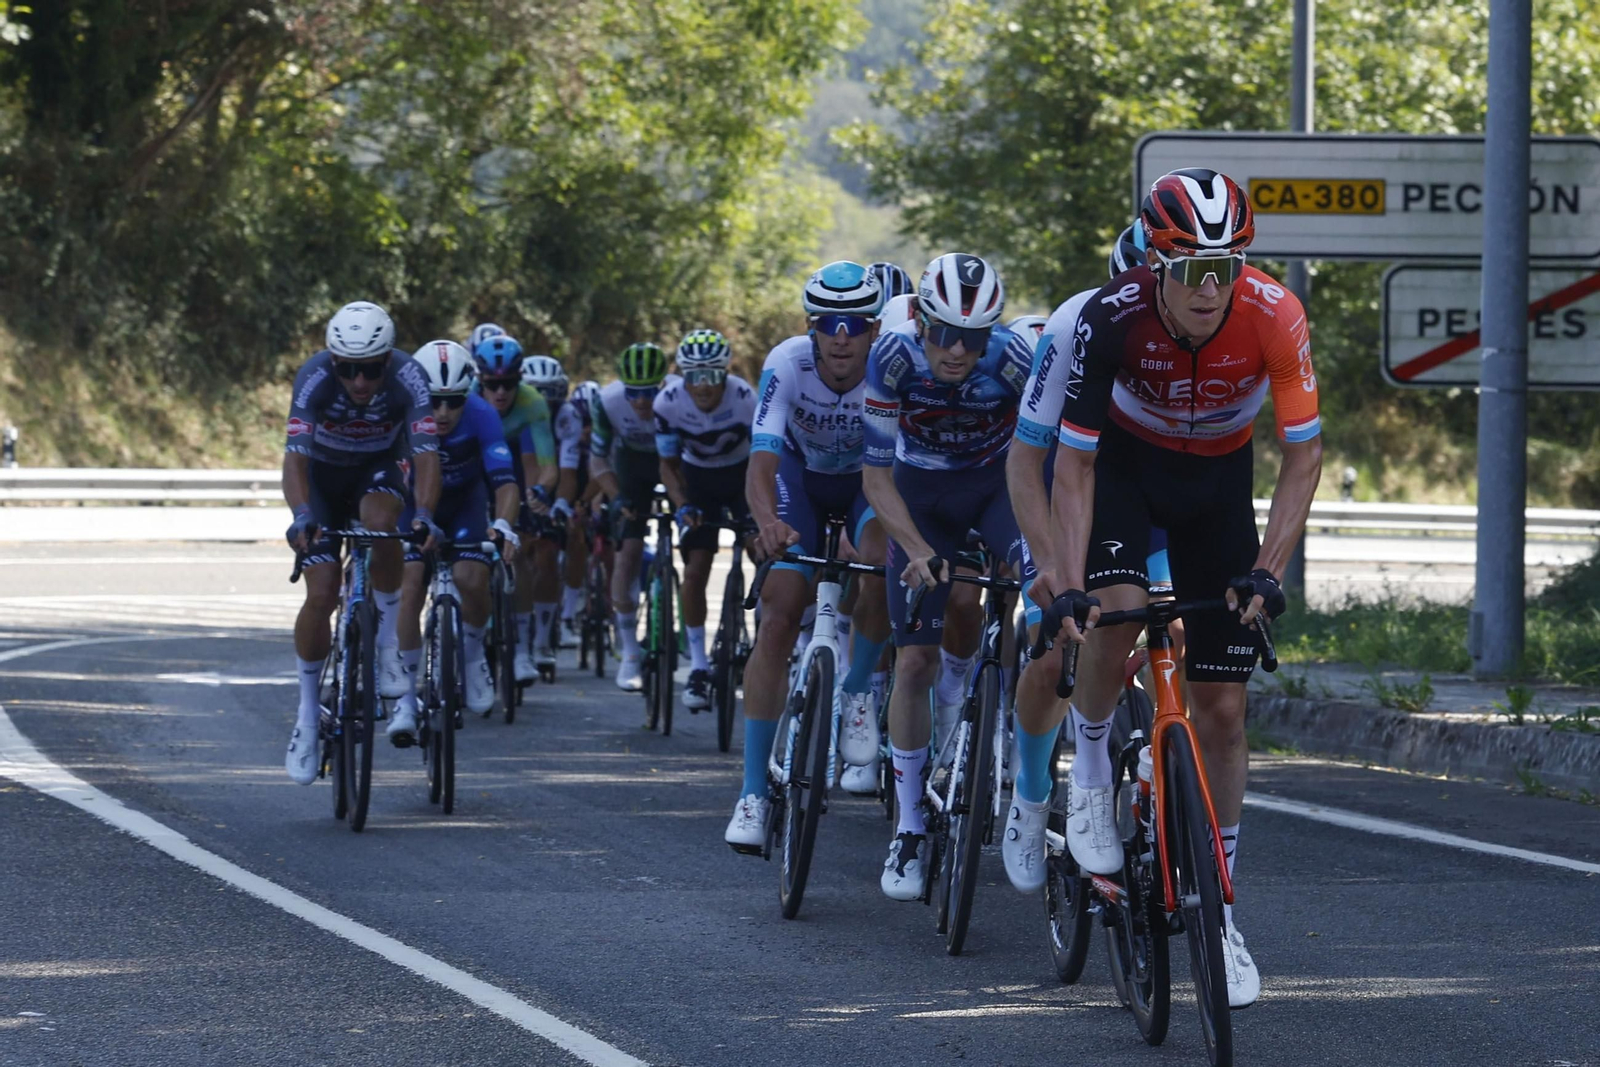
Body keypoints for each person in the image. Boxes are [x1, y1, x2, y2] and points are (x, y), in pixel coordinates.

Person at [1006, 168, 1322, 1008]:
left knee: (1223, 708)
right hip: (1127, 472)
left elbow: (1302, 454)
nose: (1210, 289)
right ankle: (1091, 771)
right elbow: (1069, 462)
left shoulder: (1275, 314)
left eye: (1229, 267)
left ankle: (1220, 913)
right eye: (1191, 271)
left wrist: (1269, 568)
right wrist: (1068, 583)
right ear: (1155, 263)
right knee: (1115, 616)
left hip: (1218, 483)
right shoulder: (1105, 316)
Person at [861, 252, 1036, 899]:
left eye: (973, 337)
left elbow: (1047, 454)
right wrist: (911, 546)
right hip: (920, 495)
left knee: (1037, 595)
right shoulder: (894, 360)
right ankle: (909, 827)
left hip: (996, 491)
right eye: (944, 333)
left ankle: (1027, 770)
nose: (957, 351)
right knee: (911, 663)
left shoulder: (1016, 359)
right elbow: (875, 476)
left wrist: (1041, 551)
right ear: (922, 322)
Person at [724, 261, 892, 852]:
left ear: (874, 327)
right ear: (810, 327)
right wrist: (767, 522)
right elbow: (763, 459)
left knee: (878, 558)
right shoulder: (787, 362)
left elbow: (895, 467)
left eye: (855, 323)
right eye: (828, 322)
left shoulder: (890, 368)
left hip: (868, 483)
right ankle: (751, 793)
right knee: (778, 612)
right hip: (801, 481)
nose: (841, 336)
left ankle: (855, 694)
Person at [282, 301, 441, 784]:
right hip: (324, 482)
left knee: (381, 520)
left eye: (371, 370)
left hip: (379, 468)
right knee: (323, 589)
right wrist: (302, 515)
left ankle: (390, 642)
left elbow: (427, 456)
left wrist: (427, 516)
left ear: (387, 360)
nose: (359, 382)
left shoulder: (410, 376)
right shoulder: (312, 377)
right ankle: (308, 718)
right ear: (333, 361)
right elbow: (294, 461)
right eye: (347, 369)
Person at [389, 341, 522, 737]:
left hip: (465, 503)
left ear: (469, 395)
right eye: (434, 401)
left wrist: (505, 524)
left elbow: (505, 482)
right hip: (413, 508)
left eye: (453, 402)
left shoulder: (482, 414)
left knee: (470, 578)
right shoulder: (401, 414)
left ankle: (473, 650)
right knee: (410, 587)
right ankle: (404, 700)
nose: (443, 413)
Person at [653, 330, 757, 710]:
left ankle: (771, 645)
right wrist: (682, 504)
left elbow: (765, 458)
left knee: (764, 554)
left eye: (712, 376)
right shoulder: (667, 402)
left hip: (742, 477)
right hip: (697, 482)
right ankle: (698, 666)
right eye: (693, 376)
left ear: (725, 374)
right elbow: (667, 464)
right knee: (695, 570)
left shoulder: (745, 398)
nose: (702, 386)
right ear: (682, 374)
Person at [471, 334, 558, 686]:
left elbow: (548, 464)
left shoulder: (533, 402)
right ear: (480, 380)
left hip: (516, 470)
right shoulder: (465, 399)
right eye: (492, 384)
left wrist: (538, 491)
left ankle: (521, 650)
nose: (501, 392)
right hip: (473, 465)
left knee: (516, 552)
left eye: (509, 383)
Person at [589, 343, 677, 691]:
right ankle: (629, 651)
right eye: (633, 393)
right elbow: (598, 460)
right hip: (632, 467)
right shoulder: (607, 401)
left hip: (673, 462)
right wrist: (616, 496)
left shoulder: (677, 396)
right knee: (627, 554)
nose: (641, 401)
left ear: (662, 385)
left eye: (649, 392)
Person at [520, 354, 577, 668]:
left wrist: (560, 505)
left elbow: (568, 470)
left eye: (551, 396)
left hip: (550, 480)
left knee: (546, 555)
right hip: (515, 473)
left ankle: (541, 640)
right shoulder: (513, 410)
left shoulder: (567, 416)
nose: (544, 403)